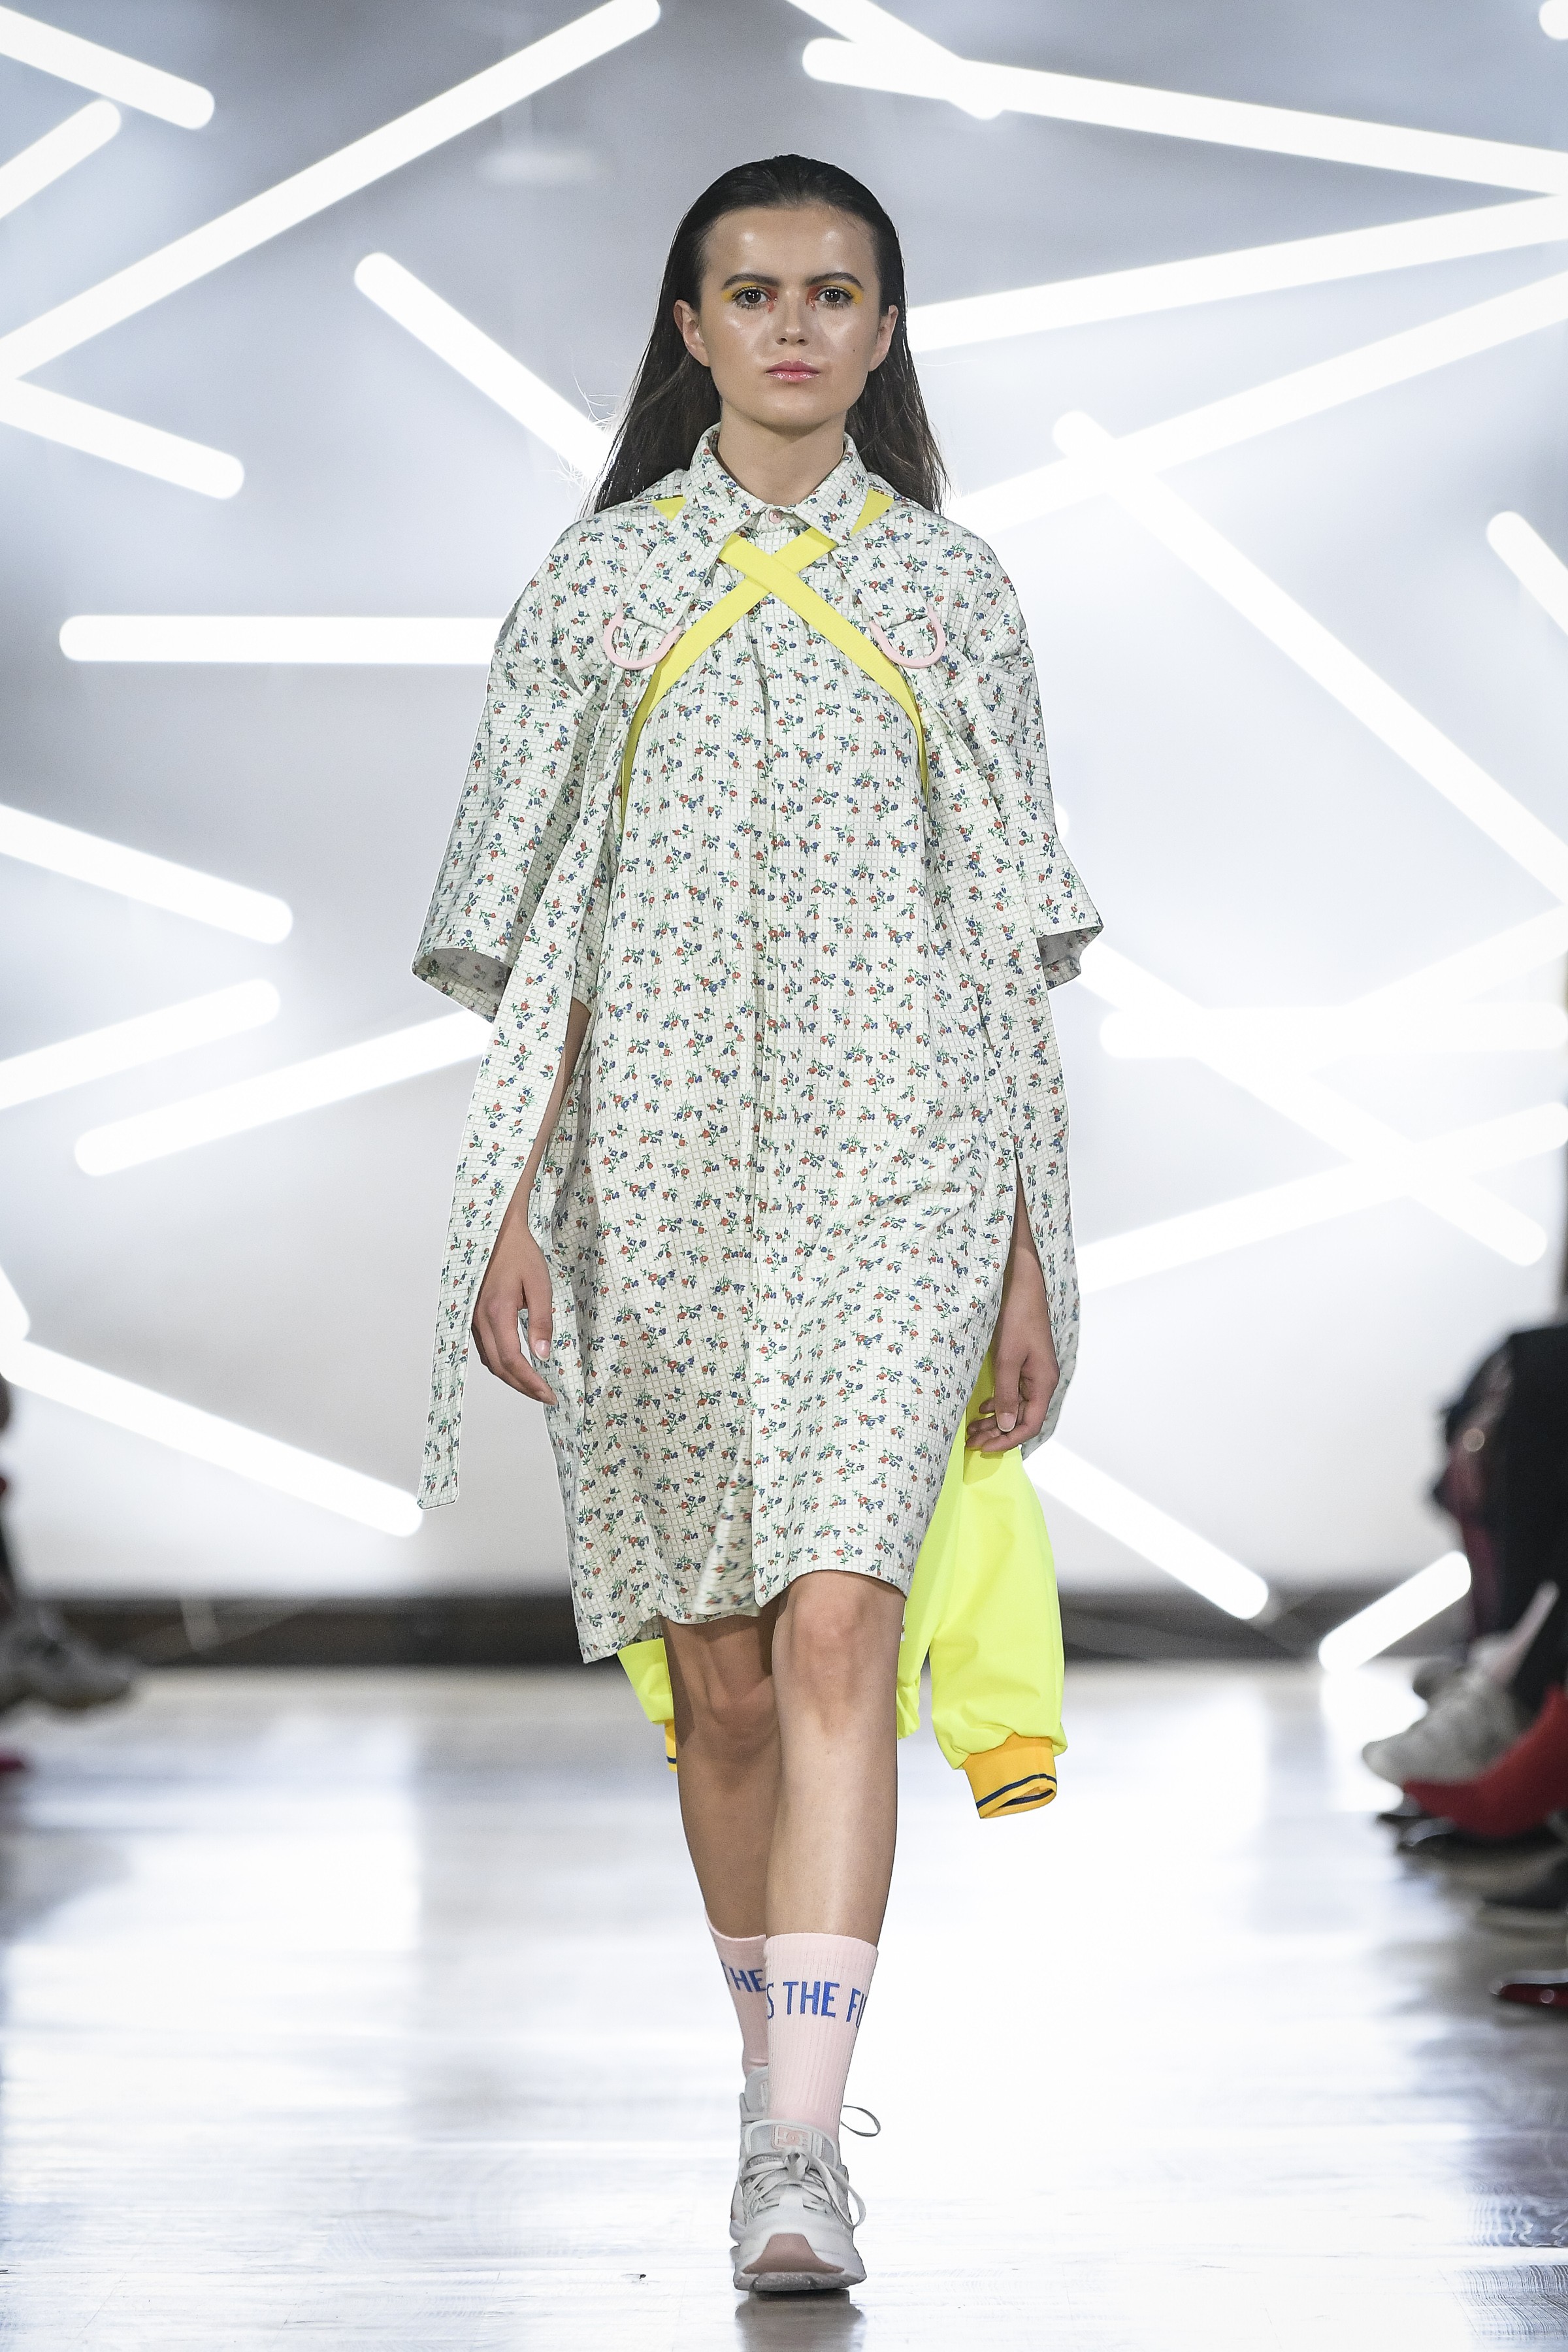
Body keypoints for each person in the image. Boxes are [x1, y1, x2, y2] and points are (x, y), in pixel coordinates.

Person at [413, 155, 1098, 2294]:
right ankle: (768, 2089)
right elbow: (530, 927)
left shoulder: (958, 591)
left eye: (835, 292)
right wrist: (510, 1209)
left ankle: (801, 2149)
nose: (796, 326)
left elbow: (1009, 944)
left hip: (905, 1165)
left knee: (837, 1633)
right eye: (754, 290)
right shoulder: (594, 586)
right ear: (689, 324)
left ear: (886, 331)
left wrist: (1022, 1244)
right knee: (716, 1682)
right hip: (656, 1173)